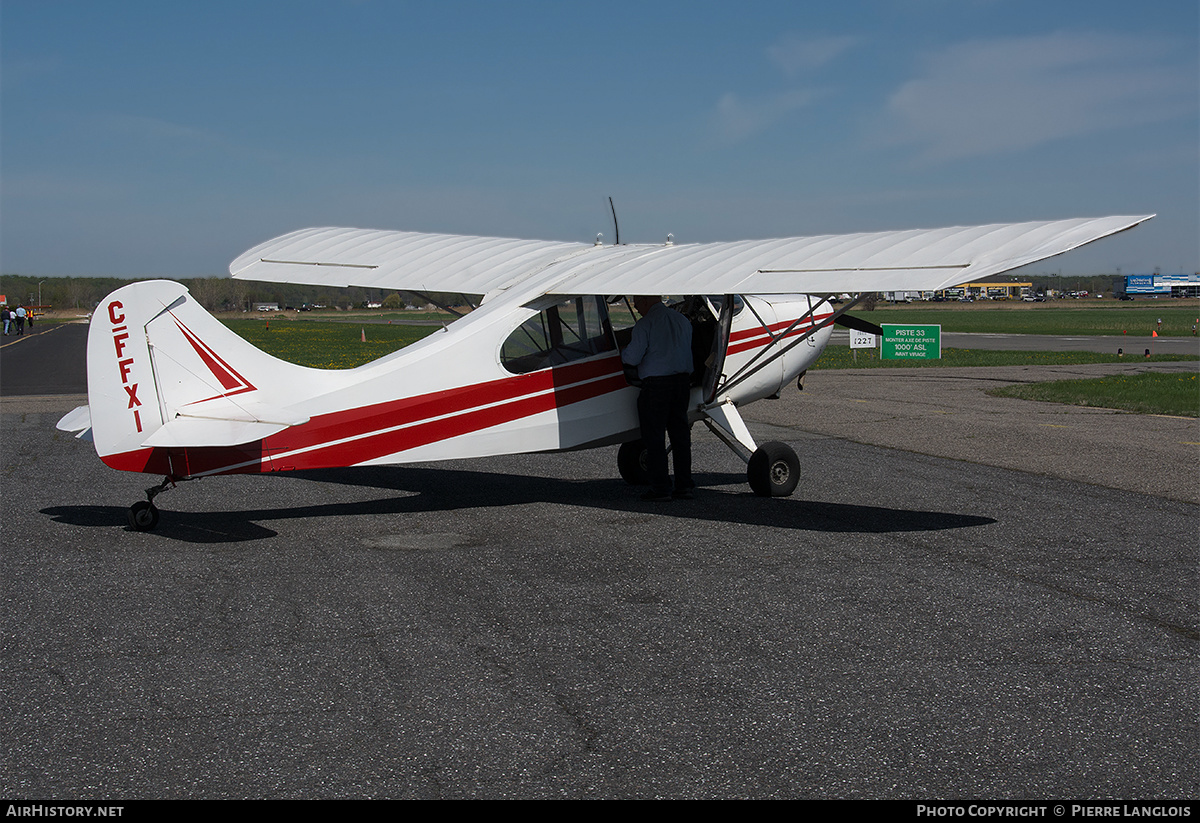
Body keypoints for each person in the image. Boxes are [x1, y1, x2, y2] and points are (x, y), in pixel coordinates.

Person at [621, 295, 695, 501]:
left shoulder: (644, 325)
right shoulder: (683, 321)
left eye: (636, 303)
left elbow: (632, 358)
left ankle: (661, 488)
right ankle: (684, 486)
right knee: (680, 437)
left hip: (656, 386)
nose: (635, 308)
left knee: (654, 438)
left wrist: (623, 354)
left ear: (645, 302)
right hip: (681, 383)